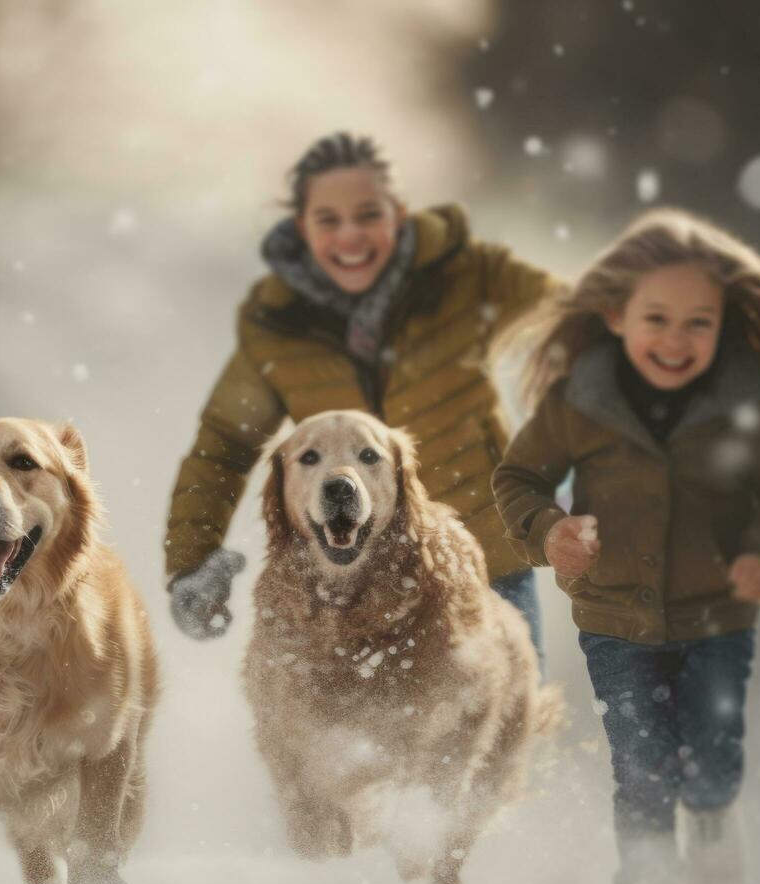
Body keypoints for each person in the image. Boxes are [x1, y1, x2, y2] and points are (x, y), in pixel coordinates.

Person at [492, 207, 760, 884]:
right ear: (615, 317)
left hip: (716, 617)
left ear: (725, 324)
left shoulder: (745, 401)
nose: (676, 339)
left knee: (713, 752)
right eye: (657, 319)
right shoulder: (578, 400)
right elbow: (518, 480)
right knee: (641, 767)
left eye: (699, 322)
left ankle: (711, 814)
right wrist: (548, 531)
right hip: (615, 619)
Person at [164, 131, 563, 659]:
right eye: (328, 220)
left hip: (485, 559)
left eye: (368, 214)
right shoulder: (279, 327)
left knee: (499, 730)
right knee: (365, 736)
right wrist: (192, 564)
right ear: (302, 227)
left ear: (399, 213)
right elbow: (223, 448)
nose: (350, 236)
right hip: (350, 585)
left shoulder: (469, 276)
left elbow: (584, 319)